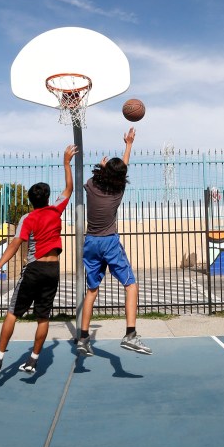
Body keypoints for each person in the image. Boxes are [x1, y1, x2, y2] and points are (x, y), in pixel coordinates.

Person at [0, 144, 77, 374]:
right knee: (43, 318)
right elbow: (69, 189)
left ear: (31, 200)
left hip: (34, 270)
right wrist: (66, 162)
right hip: (53, 270)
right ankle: (33, 360)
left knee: (13, 313)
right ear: (46, 198)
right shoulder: (56, 210)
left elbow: (15, 245)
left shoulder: (28, 218)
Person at [76, 127, 151, 356]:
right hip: (108, 242)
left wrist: (103, 166)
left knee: (91, 291)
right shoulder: (118, 191)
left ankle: (83, 338)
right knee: (131, 285)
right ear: (120, 178)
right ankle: (130, 334)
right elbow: (122, 170)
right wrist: (128, 144)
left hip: (90, 242)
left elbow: (108, 173)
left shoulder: (90, 185)